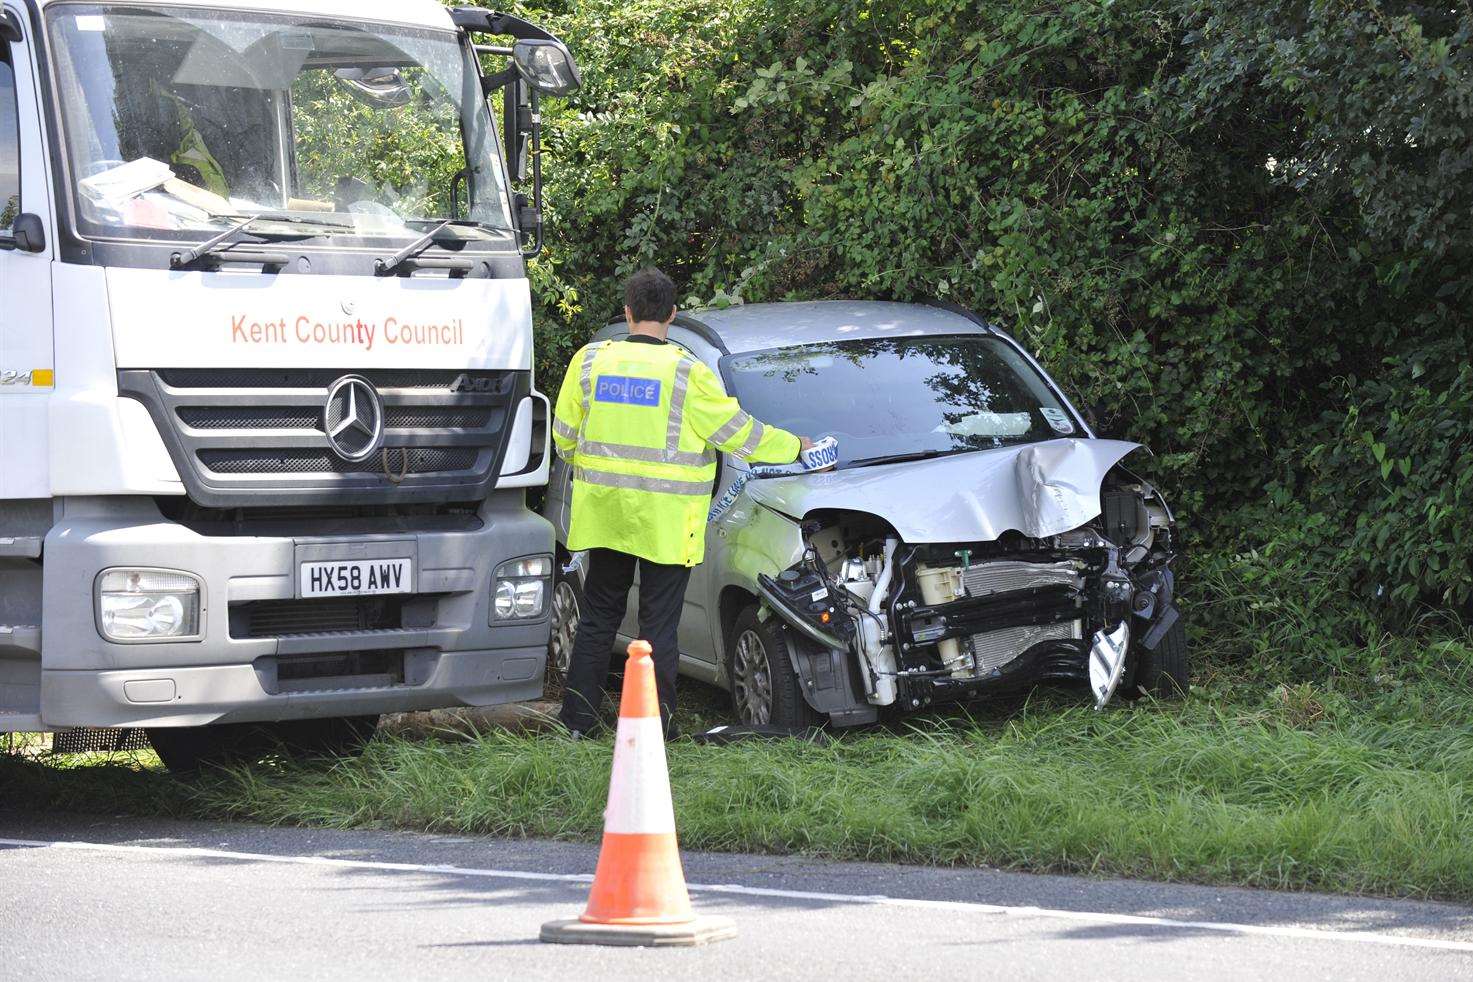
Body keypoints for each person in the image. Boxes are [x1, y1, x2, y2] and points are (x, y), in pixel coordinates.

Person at [552, 268, 811, 737]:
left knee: (597, 619)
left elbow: (564, 439)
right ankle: (653, 729)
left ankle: (576, 722)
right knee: (657, 628)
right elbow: (739, 435)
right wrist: (797, 447)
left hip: (606, 516)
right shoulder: (687, 372)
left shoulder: (588, 363)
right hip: (665, 524)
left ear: (627, 312)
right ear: (673, 315)